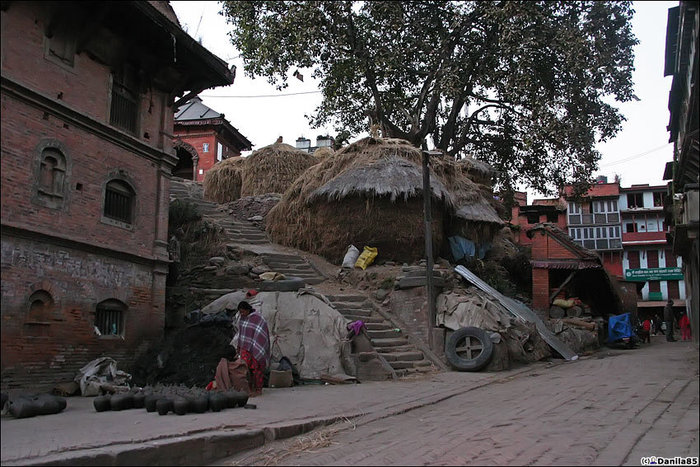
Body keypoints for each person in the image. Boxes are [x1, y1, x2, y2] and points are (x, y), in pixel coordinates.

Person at [232, 300, 270, 396]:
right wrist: (239, 348)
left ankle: (258, 389)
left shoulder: (258, 318)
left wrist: (256, 346)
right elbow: (242, 334)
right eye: (240, 312)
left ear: (248, 309)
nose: (242, 313)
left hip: (255, 348)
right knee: (245, 368)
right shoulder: (242, 318)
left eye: (243, 311)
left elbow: (261, 333)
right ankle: (248, 388)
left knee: (256, 369)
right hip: (245, 348)